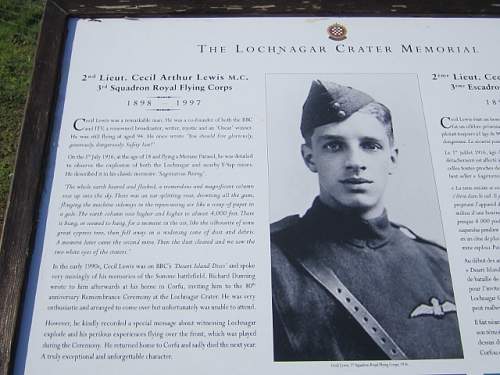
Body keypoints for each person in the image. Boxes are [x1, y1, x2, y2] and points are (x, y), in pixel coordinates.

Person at [270, 80, 463, 361]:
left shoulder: (440, 263)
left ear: (392, 158)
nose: (355, 162)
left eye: (370, 146)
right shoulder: (273, 264)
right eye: (334, 146)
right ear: (310, 157)